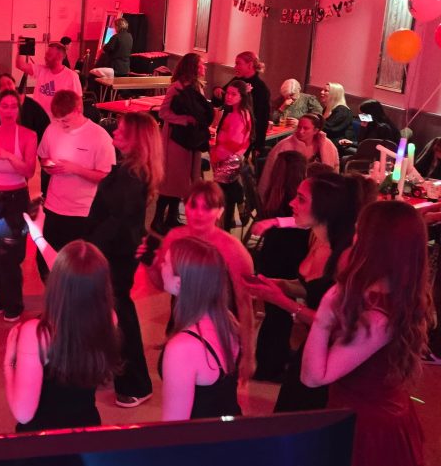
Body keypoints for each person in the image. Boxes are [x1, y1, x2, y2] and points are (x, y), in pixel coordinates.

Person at [301, 201, 428, 466]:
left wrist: (325, 313)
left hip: (367, 426)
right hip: (373, 412)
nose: (354, 238)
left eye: (360, 232)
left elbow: (313, 377)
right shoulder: (391, 289)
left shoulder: (378, 319)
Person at [245, 172, 368, 412]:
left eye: (301, 199)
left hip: (334, 357)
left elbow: (337, 324)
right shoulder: (317, 239)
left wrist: (282, 301)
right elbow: (315, 290)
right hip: (313, 344)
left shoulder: (346, 255)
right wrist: (279, 284)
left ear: (325, 208)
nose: (291, 202)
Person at [143, 181, 256, 386]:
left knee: (216, 388)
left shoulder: (233, 250)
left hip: (220, 331)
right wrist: (150, 264)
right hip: (182, 323)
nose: (198, 213)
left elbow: (245, 306)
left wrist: (249, 355)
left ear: (220, 212)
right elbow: (163, 285)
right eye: (193, 205)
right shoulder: (175, 237)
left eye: (207, 207)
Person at [86, 112, 163, 408]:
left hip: (114, 255)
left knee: (122, 316)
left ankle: (136, 382)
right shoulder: (132, 170)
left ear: (136, 139)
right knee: (112, 314)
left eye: (121, 130)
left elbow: (115, 223)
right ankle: (113, 367)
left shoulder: (131, 176)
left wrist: (88, 249)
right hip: (116, 251)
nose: (115, 133)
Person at [4, 237, 119, 431]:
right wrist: (39, 237)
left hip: (43, 439)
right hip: (86, 428)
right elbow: (75, 276)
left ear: (54, 283)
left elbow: (23, 414)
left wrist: (8, 362)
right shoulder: (109, 318)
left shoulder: (37, 333)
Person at [159, 236, 243, 420]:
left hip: (202, 443)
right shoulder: (226, 321)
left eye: (165, 263)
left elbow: (174, 428)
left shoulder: (182, 347)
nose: (161, 266)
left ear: (180, 283)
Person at [35, 90, 116, 281]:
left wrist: (75, 169)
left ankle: (70, 304)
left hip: (82, 211)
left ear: (79, 109)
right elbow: (43, 156)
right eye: (59, 120)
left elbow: (106, 176)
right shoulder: (52, 128)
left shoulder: (99, 137)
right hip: (54, 206)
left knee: (76, 266)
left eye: (66, 119)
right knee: (45, 258)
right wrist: (48, 167)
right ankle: (54, 298)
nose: (62, 124)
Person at [0, 89, 38, 321]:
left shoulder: (28, 135)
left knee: (10, 254)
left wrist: (9, 156)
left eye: (14, 106)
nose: (10, 110)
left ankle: (14, 302)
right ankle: (2, 297)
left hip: (15, 198)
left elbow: (29, 171)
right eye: (5, 106)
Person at [251, 150, 310, 382]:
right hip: (285, 259)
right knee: (280, 315)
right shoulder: (294, 202)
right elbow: (304, 224)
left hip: (272, 256)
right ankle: (270, 367)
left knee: (276, 315)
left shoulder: (275, 193)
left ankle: (274, 358)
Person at [153, 52, 213, 233]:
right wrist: (185, 119)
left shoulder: (197, 87)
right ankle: (157, 220)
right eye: (202, 64)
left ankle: (172, 217)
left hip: (190, 141)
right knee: (171, 181)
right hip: (175, 141)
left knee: (182, 183)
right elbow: (163, 113)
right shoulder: (176, 88)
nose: (205, 68)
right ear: (193, 67)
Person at [259, 114, 340, 198]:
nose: (301, 131)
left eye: (306, 128)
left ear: (316, 131)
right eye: (299, 127)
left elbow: (335, 171)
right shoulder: (284, 146)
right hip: (290, 195)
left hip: (320, 194)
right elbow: (268, 174)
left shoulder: (327, 145)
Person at [212, 79, 253, 231]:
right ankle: (237, 209)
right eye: (227, 93)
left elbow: (234, 142)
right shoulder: (242, 112)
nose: (228, 97)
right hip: (233, 159)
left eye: (233, 94)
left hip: (227, 160)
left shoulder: (237, 116)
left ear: (241, 96)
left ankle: (223, 229)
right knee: (228, 193)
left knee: (223, 198)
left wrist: (216, 153)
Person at [16, 42, 82, 121]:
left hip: (57, 121)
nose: (45, 57)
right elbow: (20, 65)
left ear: (59, 56)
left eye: (49, 55)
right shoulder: (41, 70)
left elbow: (78, 102)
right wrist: (20, 49)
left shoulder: (71, 76)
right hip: (38, 117)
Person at [231, 51, 270, 155]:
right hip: (230, 130)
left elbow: (263, 117)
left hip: (244, 136)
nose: (235, 67)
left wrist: (259, 145)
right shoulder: (237, 81)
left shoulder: (261, 88)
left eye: (238, 63)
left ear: (250, 65)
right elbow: (219, 100)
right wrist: (217, 90)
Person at [319, 82, 354, 151]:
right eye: (322, 90)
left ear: (334, 94)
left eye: (326, 91)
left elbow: (330, 129)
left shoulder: (342, 110)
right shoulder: (327, 108)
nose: (321, 92)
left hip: (339, 143)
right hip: (328, 139)